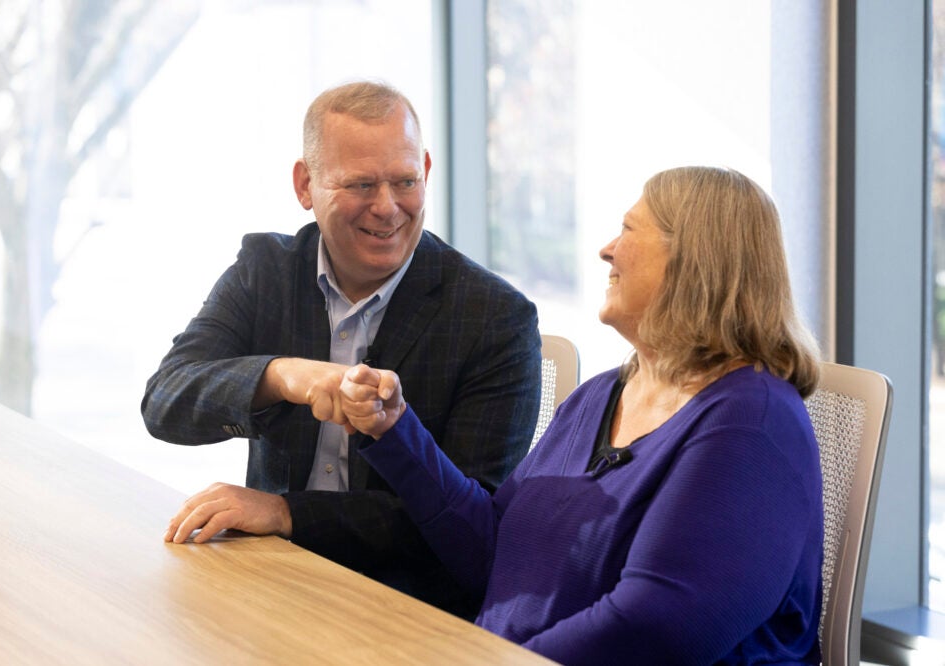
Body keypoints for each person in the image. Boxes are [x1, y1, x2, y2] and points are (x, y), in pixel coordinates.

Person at [338, 166, 825, 664]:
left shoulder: (753, 424)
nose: (607, 249)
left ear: (694, 260)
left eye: (629, 230)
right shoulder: (599, 396)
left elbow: (657, 629)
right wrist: (395, 429)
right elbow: (493, 553)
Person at [141, 80, 541, 617]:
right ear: (305, 185)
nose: (388, 207)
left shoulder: (495, 318)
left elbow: (473, 529)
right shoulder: (265, 270)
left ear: (425, 169)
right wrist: (282, 377)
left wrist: (287, 513)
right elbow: (164, 403)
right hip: (271, 584)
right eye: (360, 185)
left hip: (410, 606)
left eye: (405, 181)